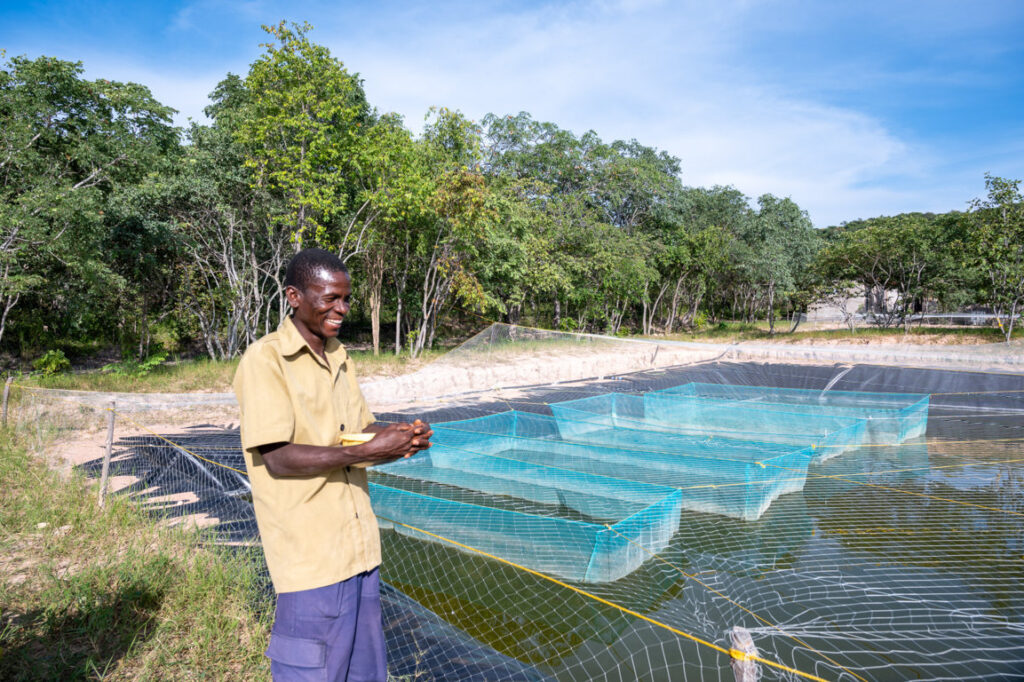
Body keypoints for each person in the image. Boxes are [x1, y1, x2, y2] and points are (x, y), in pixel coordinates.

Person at [233, 247, 432, 681]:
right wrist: (364, 452)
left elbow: (356, 430)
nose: (340, 309)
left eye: (345, 298)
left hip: (359, 552)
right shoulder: (265, 360)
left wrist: (399, 437)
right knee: (313, 671)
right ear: (294, 296)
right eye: (329, 298)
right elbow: (279, 458)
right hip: (311, 559)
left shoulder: (339, 354)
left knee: (364, 672)